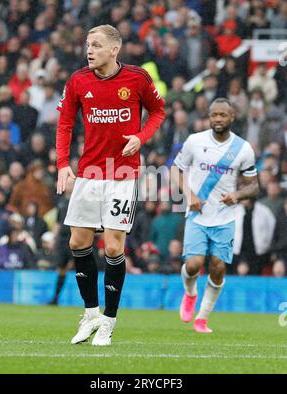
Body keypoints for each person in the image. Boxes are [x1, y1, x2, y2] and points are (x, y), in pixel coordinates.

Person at [56, 25, 165, 346]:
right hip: (89, 172)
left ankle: (108, 320)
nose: (90, 50)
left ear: (114, 49)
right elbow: (65, 123)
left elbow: (158, 110)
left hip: (122, 174)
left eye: (97, 45)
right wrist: (63, 163)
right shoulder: (78, 81)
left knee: (114, 247)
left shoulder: (137, 78)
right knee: (77, 242)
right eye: (88, 44)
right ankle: (91, 313)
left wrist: (140, 137)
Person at [172, 98, 259, 333]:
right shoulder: (194, 141)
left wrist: (238, 194)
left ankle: (202, 318)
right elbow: (175, 170)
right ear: (209, 117)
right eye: (214, 115)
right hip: (197, 214)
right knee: (194, 264)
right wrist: (189, 196)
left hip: (225, 216)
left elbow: (254, 186)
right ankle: (190, 294)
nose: (218, 119)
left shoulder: (243, 149)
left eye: (223, 115)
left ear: (232, 117)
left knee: (218, 267)